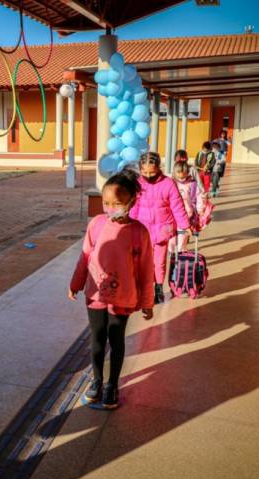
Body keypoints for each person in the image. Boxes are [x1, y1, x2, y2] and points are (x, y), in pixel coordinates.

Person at [69, 170, 155, 410]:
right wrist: (76, 283)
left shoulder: (139, 233)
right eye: (106, 203)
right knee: (96, 339)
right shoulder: (96, 224)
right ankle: (96, 381)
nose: (110, 208)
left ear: (131, 202)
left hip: (123, 298)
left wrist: (147, 302)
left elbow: (147, 270)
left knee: (116, 340)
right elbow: (85, 256)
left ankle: (112, 385)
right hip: (95, 294)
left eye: (116, 204)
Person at [129, 152, 192, 304]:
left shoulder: (168, 183)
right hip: (142, 229)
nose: (148, 175)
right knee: (141, 261)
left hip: (162, 230)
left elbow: (177, 207)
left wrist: (185, 225)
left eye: (152, 172)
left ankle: (158, 290)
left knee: (159, 262)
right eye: (145, 172)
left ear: (159, 168)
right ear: (140, 170)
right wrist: (128, 224)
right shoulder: (138, 183)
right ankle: (143, 288)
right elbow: (134, 206)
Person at [169, 161, 200, 253]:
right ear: (174, 172)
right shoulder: (170, 182)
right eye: (178, 175)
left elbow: (197, 197)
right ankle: (172, 254)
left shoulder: (192, 183)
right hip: (171, 214)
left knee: (183, 236)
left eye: (183, 176)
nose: (181, 178)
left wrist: (199, 210)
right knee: (171, 237)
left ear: (187, 173)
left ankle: (181, 253)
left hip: (187, 214)